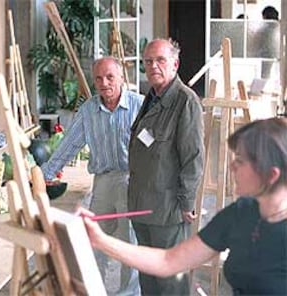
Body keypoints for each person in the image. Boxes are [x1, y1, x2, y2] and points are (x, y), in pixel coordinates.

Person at [81, 117, 287, 295]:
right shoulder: (241, 212)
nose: (232, 166)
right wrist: (101, 240)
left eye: (240, 161)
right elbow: (168, 261)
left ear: (271, 175)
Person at [41, 56, 143, 295]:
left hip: (133, 179)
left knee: (129, 241)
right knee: (95, 236)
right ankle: (94, 289)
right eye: (98, 78)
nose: (104, 83)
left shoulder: (140, 105)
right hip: (104, 180)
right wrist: (45, 173)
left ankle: (129, 293)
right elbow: (69, 144)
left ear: (121, 78)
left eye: (110, 77)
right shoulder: (88, 110)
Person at [127, 38, 204, 295]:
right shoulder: (151, 97)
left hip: (167, 211)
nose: (153, 66)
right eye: (148, 61)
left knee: (171, 282)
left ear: (175, 63)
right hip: (141, 207)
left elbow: (193, 157)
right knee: (147, 279)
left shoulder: (185, 101)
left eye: (160, 60)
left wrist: (186, 203)